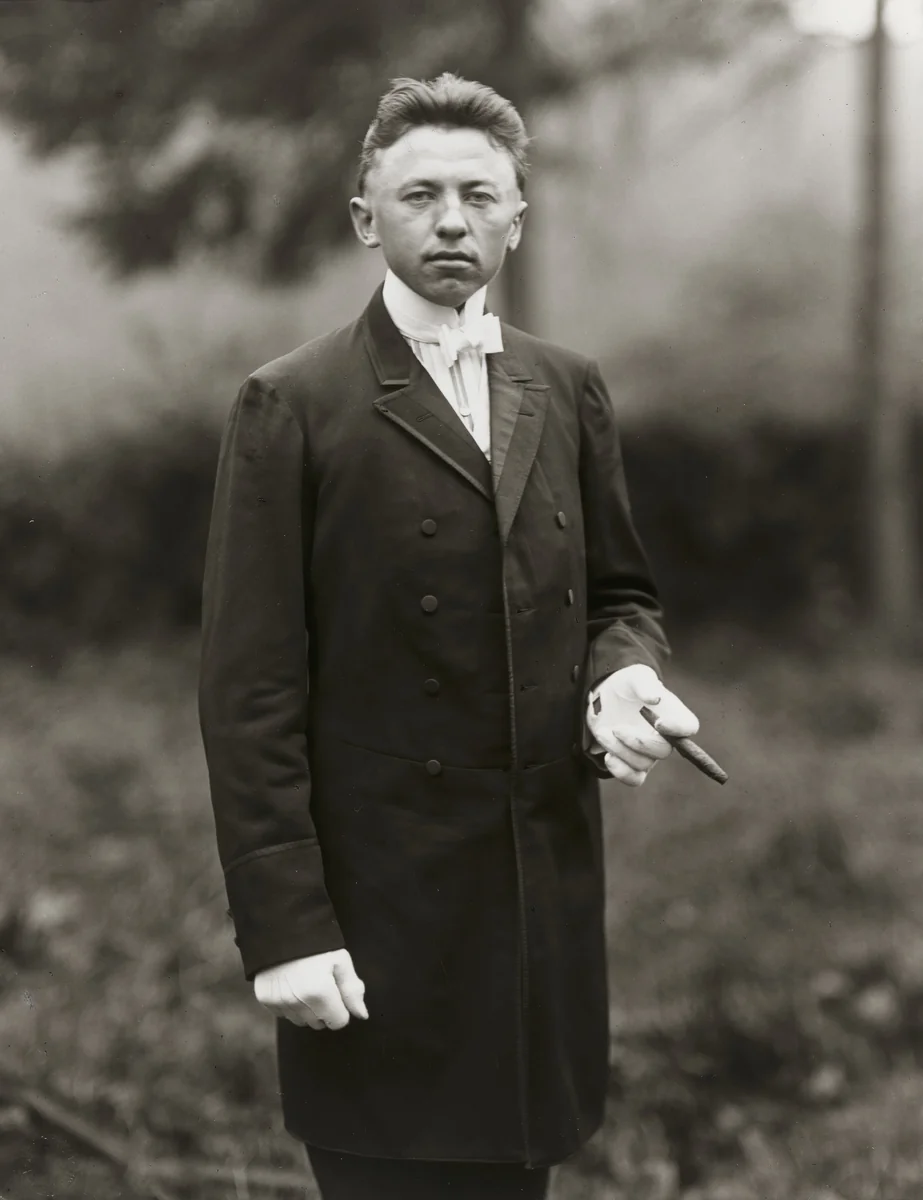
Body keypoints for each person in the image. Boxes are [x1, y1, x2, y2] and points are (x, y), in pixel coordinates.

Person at [198, 73, 700, 1200]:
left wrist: (621, 678)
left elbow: (620, 596)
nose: (451, 222)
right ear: (364, 217)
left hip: (538, 907)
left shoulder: (567, 387)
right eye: (418, 195)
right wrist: (283, 929)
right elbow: (247, 689)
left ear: (517, 218)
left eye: (479, 196)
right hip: (378, 919)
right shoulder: (291, 403)